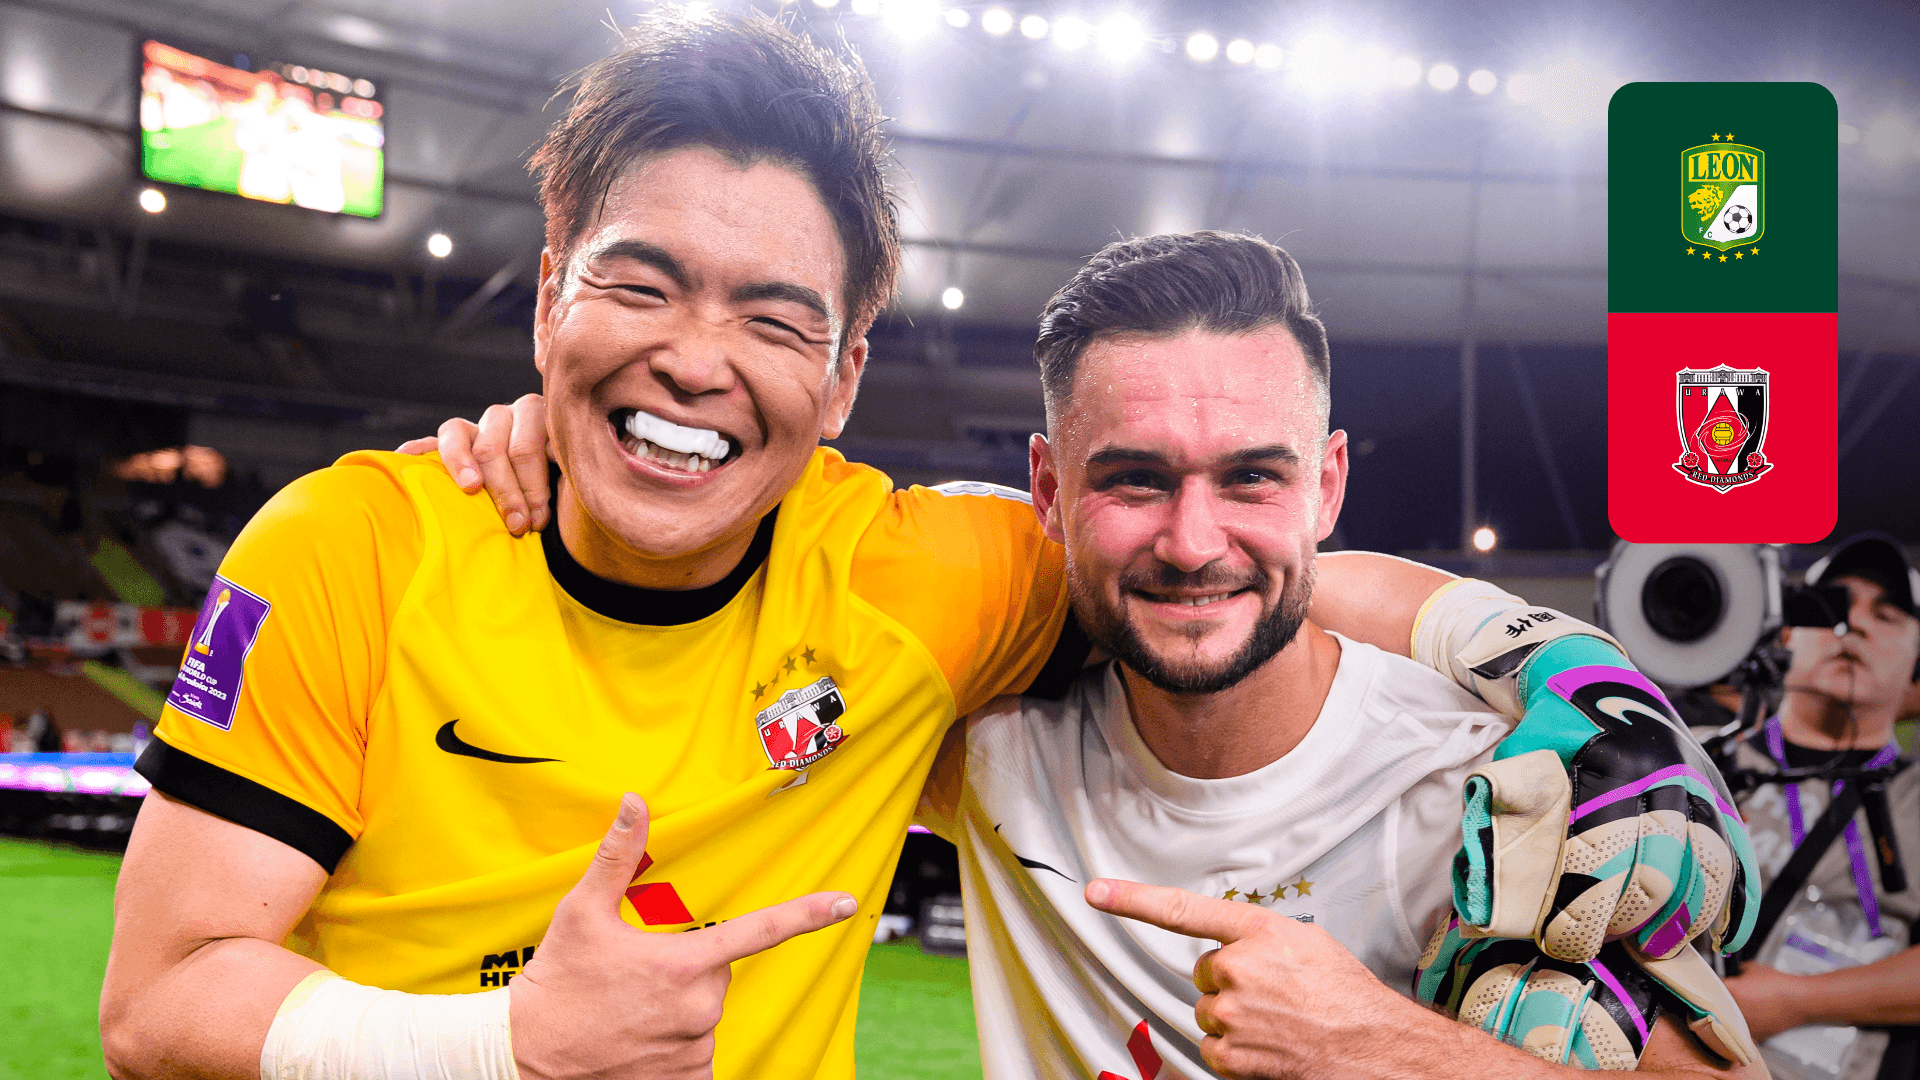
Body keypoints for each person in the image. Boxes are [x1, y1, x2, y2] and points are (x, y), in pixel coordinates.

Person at [101, 12, 1744, 1080]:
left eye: (773, 318)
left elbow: (1233, 572)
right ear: (549, 298)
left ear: (842, 377)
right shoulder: (352, 548)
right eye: (639, 284)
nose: (694, 360)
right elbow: (156, 1003)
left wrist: (1564, 677)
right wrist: (512, 1042)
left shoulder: (932, 580)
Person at [436, 232, 1762, 1077]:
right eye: (1133, 479)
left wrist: (1394, 1047)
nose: (1194, 541)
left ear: (1327, 487)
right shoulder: (985, 738)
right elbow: (742, 649)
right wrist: (590, 459)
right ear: (1050, 491)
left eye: (1252, 478)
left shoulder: (1492, 785)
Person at [1719, 534, 1920, 1080]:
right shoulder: (1695, 761)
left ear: (1916, 666)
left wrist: (1795, 1002)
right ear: (1787, 634)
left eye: (1886, 615)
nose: (1853, 625)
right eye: (1832, 606)